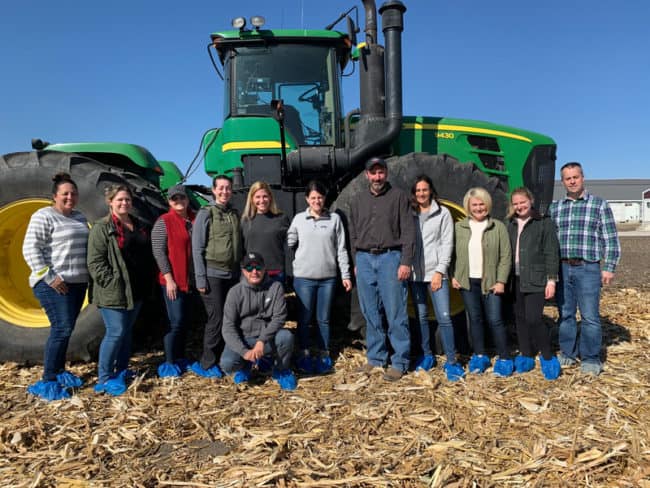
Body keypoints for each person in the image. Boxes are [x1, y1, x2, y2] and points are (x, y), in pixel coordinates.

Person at [22, 172, 89, 401]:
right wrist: (50, 277)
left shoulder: (79, 217)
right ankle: (49, 379)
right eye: (65, 194)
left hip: (78, 283)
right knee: (61, 328)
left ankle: (60, 371)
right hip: (54, 284)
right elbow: (30, 249)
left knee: (67, 328)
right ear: (55, 196)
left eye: (73, 193)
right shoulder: (44, 216)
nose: (70, 197)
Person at [549, 162, 620, 376]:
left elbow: (611, 239)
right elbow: (549, 241)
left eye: (575, 177)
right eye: (567, 178)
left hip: (587, 268)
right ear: (563, 182)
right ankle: (568, 354)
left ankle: (590, 358)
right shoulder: (555, 208)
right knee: (566, 315)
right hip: (562, 267)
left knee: (589, 316)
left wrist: (608, 267)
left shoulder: (598, 205)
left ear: (582, 178)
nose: (572, 181)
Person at [348, 156, 415, 382]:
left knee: (395, 312)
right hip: (365, 259)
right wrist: (357, 261)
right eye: (373, 173)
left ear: (386, 173)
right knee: (370, 312)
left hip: (390, 258)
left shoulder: (398, 197)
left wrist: (405, 261)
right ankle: (376, 357)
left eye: (381, 172)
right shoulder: (357, 200)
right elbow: (353, 233)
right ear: (367, 175)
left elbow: (408, 231)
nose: (377, 177)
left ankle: (400, 361)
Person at [87, 184, 153, 396]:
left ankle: (121, 370)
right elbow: (95, 262)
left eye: (127, 200)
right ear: (110, 202)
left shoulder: (138, 224)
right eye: (120, 200)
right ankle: (105, 377)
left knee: (125, 333)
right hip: (115, 291)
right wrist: (111, 282)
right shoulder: (102, 228)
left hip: (137, 289)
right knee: (115, 332)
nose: (124, 203)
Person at [287, 180, 352, 374]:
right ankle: (305, 353)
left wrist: (345, 275)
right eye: (313, 197)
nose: (317, 201)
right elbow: (290, 241)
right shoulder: (299, 219)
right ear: (307, 199)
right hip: (304, 278)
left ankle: (324, 354)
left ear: (325, 199)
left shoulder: (334, 219)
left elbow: (341, 249)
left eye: (320, 197)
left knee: (323, 318)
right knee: (305, 318)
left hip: (327, 278)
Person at [451, 187, 513, 376]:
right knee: (475, 320)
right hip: (468, 282)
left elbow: (506, 256)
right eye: (475, 205)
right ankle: (479, 355)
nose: (479, 208)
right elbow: (451, 253)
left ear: (488, 205)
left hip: (492, 281)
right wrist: (454, 275)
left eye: (482, 204)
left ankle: (504, 357)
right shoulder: (459, 227)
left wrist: (501, 280)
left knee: (495, 319)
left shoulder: (498, 226)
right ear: (468, 207)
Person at [409, 175, 465, 381]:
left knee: (444, 316)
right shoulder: (411, 213)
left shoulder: (442, 213)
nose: (421, 194)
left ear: (431, 190)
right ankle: (427, 355)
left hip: (435, 274)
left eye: (425, 190)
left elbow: (446, 244)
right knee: (421, 317)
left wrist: (440, 271)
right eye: (418, 191)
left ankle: (452, 360)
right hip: (416, 275)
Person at [219, 252, 297, 390]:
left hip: (265, 338)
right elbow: (228, 328)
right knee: (227, 363)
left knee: (286, 337)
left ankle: (281, 370)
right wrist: (244, 352)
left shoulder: (276, 287)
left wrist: (262, 341)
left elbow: (279, 317)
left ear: (264, 268)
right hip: (244, 338)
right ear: (243, 271)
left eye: (258, 267)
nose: (254, 272)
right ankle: (245, 366)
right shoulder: (235, 292)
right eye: (249, 268)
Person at [506, 187, 561, 380]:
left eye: (523, 202)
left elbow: (551, 253)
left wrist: (551, 281)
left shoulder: (543, 223)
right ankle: (526, 354)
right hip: (515, 279)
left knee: (534, 319)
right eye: (516, 203)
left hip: (536, 278)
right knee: (520, 319)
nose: (519, 206)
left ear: (531, 201)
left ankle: (547, 356)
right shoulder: (510, 224)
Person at [190, 174, 242, 378]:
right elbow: (197, 247)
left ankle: (224, 358)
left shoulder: (233, 213)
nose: (224, 191)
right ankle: (206, 363)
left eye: (228, 188)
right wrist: (200, 278)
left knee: (230, 318)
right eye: (220, 188)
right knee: (216, 318)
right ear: (213, 190)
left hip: (232, 274)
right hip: (213, 274)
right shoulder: (206, 213)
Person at [151, 184, 196, 378]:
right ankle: (169, 362)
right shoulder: (164, 221)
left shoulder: (195, 219)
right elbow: (159, 252)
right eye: (174, 199)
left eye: (182, 198)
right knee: (175, 321)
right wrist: (169, 279)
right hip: (173, 281)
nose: (179, 202)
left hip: (190, 280)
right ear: (169, 201)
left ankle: (180, 357)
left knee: (184, 321)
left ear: (187, 199)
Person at [241, 181, 290, 284]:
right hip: (252, 273)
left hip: (275, 274)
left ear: (270, 197)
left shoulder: (281, 218)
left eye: (265, 196)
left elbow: (288, 248)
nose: (262, 200)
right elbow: (241, 249)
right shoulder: (246, 221)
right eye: (257, 197)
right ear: (252, 199)